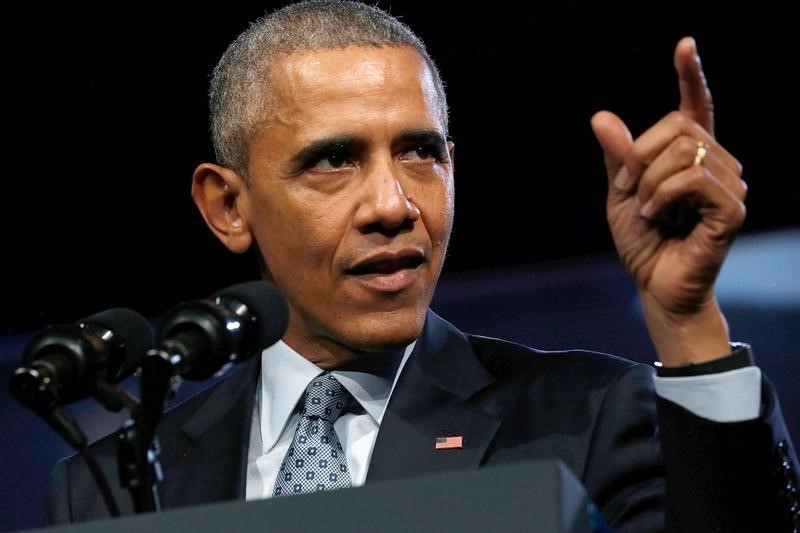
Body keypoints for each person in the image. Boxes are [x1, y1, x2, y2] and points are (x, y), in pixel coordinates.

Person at [44, 1, 798, 531]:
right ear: (227, 206)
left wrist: (685, 319)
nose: (394, 203)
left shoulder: (592, 415)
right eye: (334, 159)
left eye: (419, 152)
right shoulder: (105, 486)